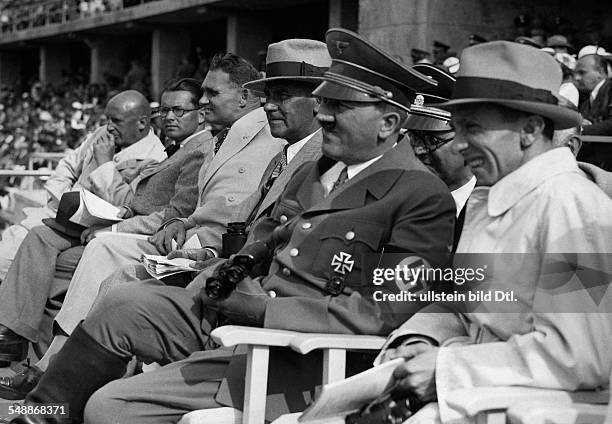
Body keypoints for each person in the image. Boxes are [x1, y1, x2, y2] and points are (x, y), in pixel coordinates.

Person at [9, 28, 456, 424]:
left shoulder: (420, 196)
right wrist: (223, 275)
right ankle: (37, 414)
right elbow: (262, 240)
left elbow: (381, 315)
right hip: (234, 314)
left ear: (390, 122)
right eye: (322, 102)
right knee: (122, 305)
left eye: (339, 106)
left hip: (293, 356)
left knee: (110, 408)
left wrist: (261, 310)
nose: (322, 116)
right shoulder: (316, 169)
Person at [5, 39, 330, 398]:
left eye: (280, 96)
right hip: (213, 266)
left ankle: (52, 391)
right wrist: (193, 238)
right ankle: (49, 388)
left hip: (239, 296)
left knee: (115, 286)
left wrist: (199, 249)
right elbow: (237, 220)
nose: (268, 105)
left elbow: (249, 232)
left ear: (319, 100)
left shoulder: (306, 155)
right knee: (91, 271)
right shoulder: (281, 151)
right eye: (268, 95)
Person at [376, 41, 612, 424]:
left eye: (473, 129)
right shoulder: (490, 198)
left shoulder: (573, 209)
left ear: (530, 129)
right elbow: (461, 304)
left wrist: (446, 368)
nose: (461, 144)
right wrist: (418, 340)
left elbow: (578, 357)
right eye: (455, 129)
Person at [0, 79, 211, 371]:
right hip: (90, 217)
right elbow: (71, 166)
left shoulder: (170, 151)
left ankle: (46, 360)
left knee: (45, 264)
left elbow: (169, 211)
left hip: (121, 230)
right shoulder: (171, 147)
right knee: (39, 237)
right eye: (164, 111)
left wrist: (106, 171)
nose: (169, 117)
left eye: (178, 110)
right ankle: (15, 338)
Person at [0, 90, 166, 284]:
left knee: (9, 260)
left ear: (142, 123)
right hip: (59, 211)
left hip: (90, 228)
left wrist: (105, 163)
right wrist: (64, 197)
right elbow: (68, 165)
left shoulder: (156, 159)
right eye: (107, 120)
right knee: (8, 248)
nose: (109, 127)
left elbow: (126, 206)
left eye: (117, 121)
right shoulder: (102, 133)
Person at [574, 53, 612, 170]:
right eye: (576, 73)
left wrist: (580, 129)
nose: (577, 78)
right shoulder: (586, 102)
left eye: (582, 72)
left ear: (600, 73)